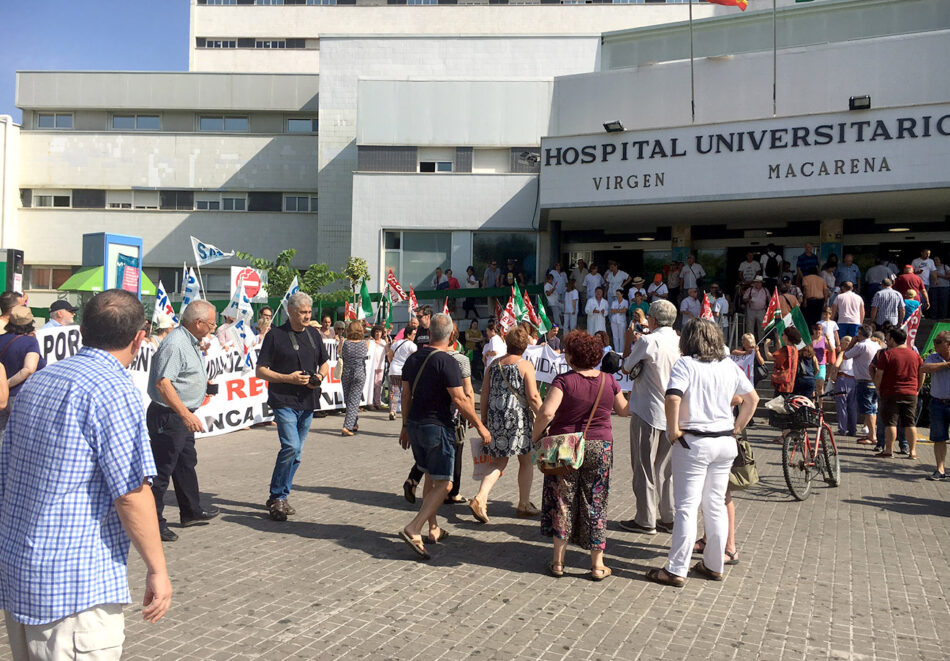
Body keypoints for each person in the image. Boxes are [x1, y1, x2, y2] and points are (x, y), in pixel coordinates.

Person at [0, 290, 172, 657]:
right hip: (74, 591)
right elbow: (131, 491)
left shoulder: (41, 380)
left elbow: (7, 471)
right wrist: (157, 567)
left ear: (82, 330)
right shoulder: (113, 388)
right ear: (139, 338)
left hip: (22, 572)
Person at [646, 320, 758, 587]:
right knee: (715, 504)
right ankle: (714, 564)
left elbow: (672, 397)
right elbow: (752, 398)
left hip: (694, 442)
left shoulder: (686, 365)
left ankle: (676, 569)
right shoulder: (728, 365)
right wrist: (736, 427)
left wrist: (673, 431)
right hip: (723, 442)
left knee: (686, 506)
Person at [532, 331, 628, 580]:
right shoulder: (609, 381)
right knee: (597, 500)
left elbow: (547, 413)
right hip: (601, 446)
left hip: (565, 447)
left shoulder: (563, 381)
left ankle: (558, 562)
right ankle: (597, 564)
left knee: (563, 500)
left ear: (572, 356)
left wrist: (535, 437)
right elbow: (623, 410)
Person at [398, 313, 490, 560]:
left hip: (415, 424)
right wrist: (481, 426)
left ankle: (433, 528)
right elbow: (460, 400)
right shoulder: (447, 362)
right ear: (451, 335)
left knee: (430, 475)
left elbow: (405, 395)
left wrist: (405, 426)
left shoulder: (413, 357)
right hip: (437, 426)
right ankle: (414, 527)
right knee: (446, 484)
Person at [146, 299, 220, 542]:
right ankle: (153, 523)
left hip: (179, 415)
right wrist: (185, 414)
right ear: (198, 322)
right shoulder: (176, 343)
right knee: (161, 471)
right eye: (211, 323)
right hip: (170, 416)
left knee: (186, 462)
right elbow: (163, 382)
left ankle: (191, 511)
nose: (213, 327)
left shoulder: (189, 341)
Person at [256, 292, 330, 522]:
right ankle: (277, 496)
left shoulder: (314, 335)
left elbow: (325, 362)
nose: (307, 316)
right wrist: (288, 378)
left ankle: (280, 495)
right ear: (290, 312)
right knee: (290, 446)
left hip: (307, 401)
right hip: (283, 399)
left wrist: (319, 376)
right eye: (303, 312)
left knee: (296, 452)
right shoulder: (275, 336)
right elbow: (260, 371)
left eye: (309, 312)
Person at [469, 326, 543, 523]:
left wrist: (483, 418)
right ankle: (522, 503)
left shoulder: (494, 364)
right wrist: (545, 417)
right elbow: (534, 397)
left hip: (495, 417)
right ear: (525, 345)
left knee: (499, 461)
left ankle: (482, 496)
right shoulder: (525, 365)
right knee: (526, 460)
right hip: (518, 420)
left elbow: (484, 392)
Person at [619, 299, 679, 535]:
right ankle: (669, 516)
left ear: (652, 320)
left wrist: (629, 342)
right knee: (666, 469)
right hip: (672, 413)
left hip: (649, 410)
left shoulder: (648, 340)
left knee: (644, 467)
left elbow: (626, 367)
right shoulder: (680, 340)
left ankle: (645, 519)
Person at [871, 327, 923, 459]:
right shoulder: (915, 355)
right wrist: (917, 388)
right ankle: (913, 452)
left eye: (888, 339)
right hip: (910, 393)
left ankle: (889, 450)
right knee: (910, 423)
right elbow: (922, 372)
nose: (886, 341)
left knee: (891, 423)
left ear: (893, 340)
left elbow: (879, 375)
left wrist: (878, 388)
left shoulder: (887, 355)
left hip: (891, 392)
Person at [0, 307, 46, 438]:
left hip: (1, 396)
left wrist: (2, 387)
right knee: (19, 436)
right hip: (20, 394)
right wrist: (7, 384)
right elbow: (29, 369)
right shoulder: (30, 342)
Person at [844, 324, 882, 446]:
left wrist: (852, 343)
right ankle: (872, 434)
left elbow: (846, 355)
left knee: (868, 410)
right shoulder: (876, 345)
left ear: (860, 335)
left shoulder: (861, 345)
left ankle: (872, 436)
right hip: (874, 380)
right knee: (872, 409)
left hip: (864, 381)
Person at [923, 331, 950, 479]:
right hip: (938, 403)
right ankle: (940, 469)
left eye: (938, 342)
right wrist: (945, 365)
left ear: (948, 344)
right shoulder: (933, 357)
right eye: (934, 341)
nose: (935, 344)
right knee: (939, 437)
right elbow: (924, 369)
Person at [340, 321, 370, 436]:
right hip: (359, 372)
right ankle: (348, 426)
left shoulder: (345, 343)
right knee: (354, 400)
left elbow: (339, 353)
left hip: (347, 372)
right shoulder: (365, 343)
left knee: (348, 399)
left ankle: (352, 423)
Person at [388, 326, 417, 422]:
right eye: (413, 334)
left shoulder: (396, 343)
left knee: (394, 391)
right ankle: (407, 412)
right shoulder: (412, 345)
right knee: (407, 393)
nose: (415, 336)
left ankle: (392, 411)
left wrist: (393, 363)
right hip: (405, 371)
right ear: (408, 335)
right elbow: (415, 358)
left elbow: (390, 355)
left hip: (394, 369)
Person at [834, 336, 858, 436]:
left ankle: (842, 429)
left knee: (842, 405)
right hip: (854, 380)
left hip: (843, 379)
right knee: (852, 406)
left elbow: (836, 365)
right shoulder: (857, 354)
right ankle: (853, 429)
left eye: (842, 343)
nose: (840, 345)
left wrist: (833, 376)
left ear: (847, 344)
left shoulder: (843, 353)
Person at [743, 276, 769, 341]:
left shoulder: (765, 290)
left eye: (759, 282)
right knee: (750, 327)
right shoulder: (750, 290)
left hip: (761, 310)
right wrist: (748, 300)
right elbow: (744, 298)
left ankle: (761, 341)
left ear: (761, 283)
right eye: (756, 282)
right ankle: (750, 342)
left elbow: (770, 300)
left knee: (762, 327)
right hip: (751, 310)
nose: (757, 284)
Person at [369, 324, 388, 411]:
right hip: (372, 366)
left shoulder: (384, 342)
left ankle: (377, 402)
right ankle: (370, 402)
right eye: (376, 332)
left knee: (378, 385)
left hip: (380, 366)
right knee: (371, 385)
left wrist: (387, 342)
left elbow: (388, 352)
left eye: (379, 332)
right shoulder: (370, 341)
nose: (378, 333)